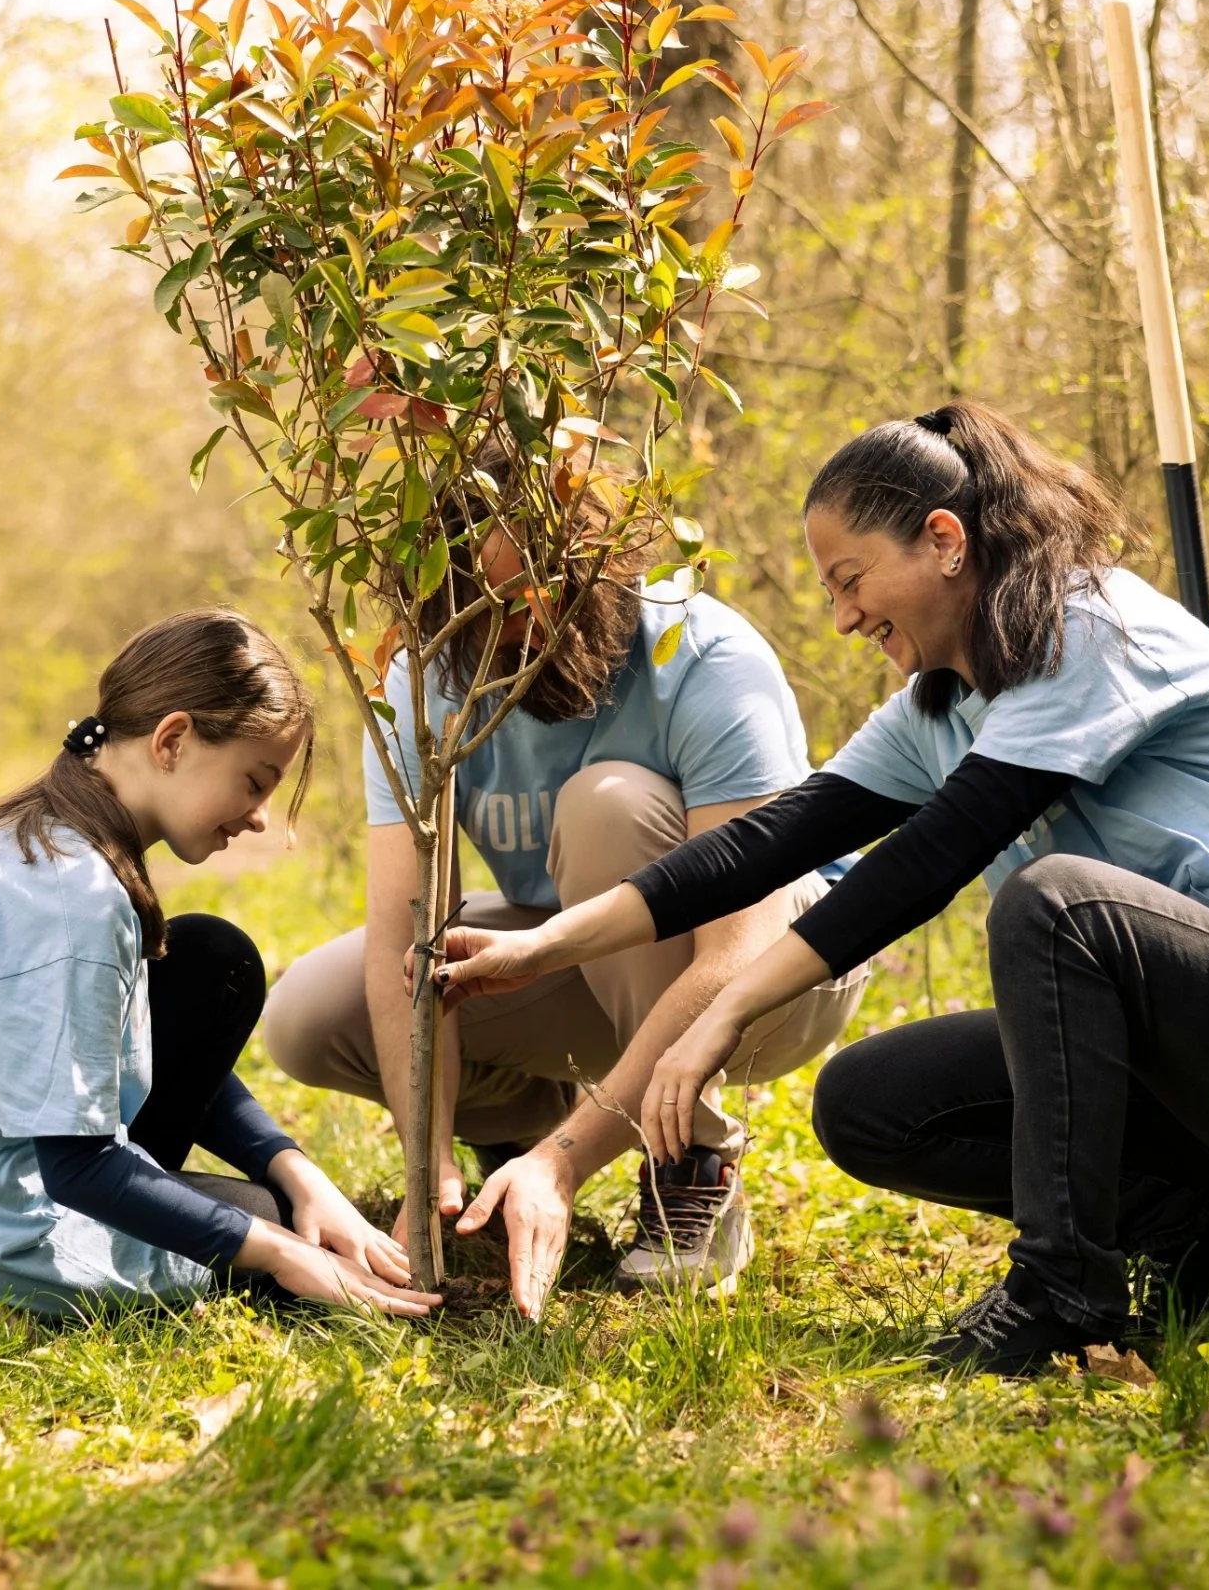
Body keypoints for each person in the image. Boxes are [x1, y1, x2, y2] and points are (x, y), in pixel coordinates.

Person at [433, 403, 1209, 1366]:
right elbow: (775, 836)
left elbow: (930, 858)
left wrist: (724, 1008)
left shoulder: (1090, 629)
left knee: (1058, 902)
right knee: (871, 1103)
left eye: (850, 579)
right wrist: (546, 942)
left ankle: (1064, 1292)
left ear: (943, 539)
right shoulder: (949, 696)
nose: (841, 617)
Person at [263, 499, 868, 1305]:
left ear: (598, 566)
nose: (511, 630)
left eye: (531, 597)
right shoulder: (428, 680)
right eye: (478, 610)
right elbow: (403, 944)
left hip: (778, 969)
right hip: (584, 961)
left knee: (605, 807)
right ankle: (510, 1132)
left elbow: (738, 949)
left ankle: (691, 1159)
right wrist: (426, 1154)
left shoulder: (705, 655)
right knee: (311, 1015)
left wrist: (568, 1163)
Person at [0, 610, 435, 1320]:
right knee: (269, 1235)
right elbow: (77, 1167)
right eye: (254, 781)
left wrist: (295, 1170)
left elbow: (115, 1042)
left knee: (211, 964)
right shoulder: (70, 896)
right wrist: (280, 1249)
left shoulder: (44, 835)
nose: (260, 815)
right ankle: (19, 1294)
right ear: (173, 740)